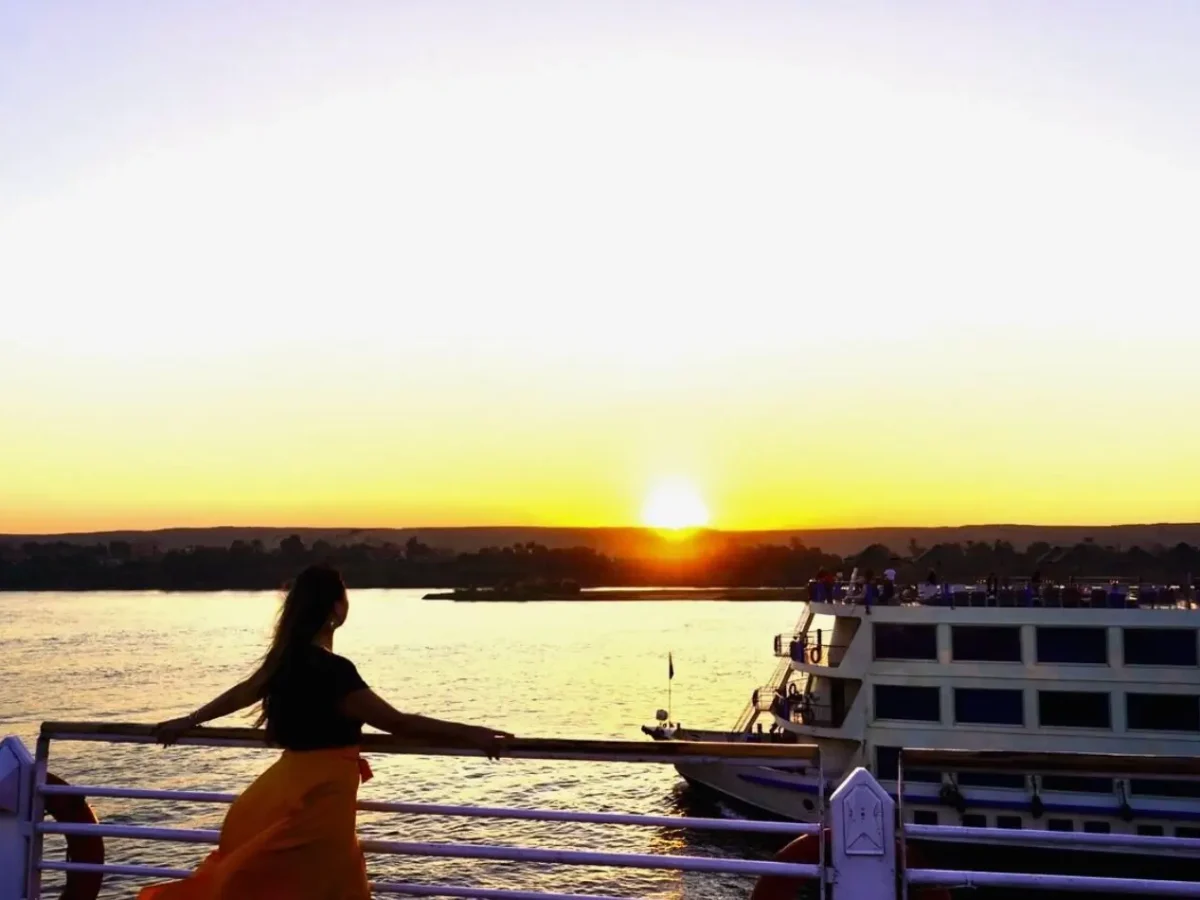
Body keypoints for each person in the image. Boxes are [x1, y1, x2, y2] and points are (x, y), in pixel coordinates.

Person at [140, 564, 512, 900]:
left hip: (279, 792)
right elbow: (397, 723)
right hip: (318, 801)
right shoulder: (334, 671)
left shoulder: (285, 661)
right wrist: (472, 733)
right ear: (336, 608)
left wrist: (190, 720)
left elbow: (242, 693)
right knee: (323, 886)